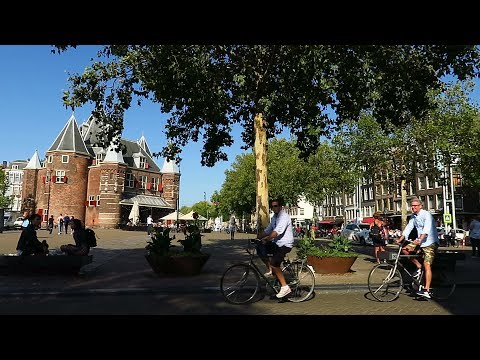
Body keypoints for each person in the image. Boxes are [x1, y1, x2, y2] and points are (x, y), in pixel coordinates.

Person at [396, 198, 439, 299]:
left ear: (420, 206)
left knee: (427, 265)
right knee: (405, 250)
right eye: (412, 206)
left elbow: (426, 229)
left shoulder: (426, 215)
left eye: (415, 205)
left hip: (430, 242)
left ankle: (426, 290)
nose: (413, 207)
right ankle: (418, 267)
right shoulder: (413, 216)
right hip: (419, 241)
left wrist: (420, 239)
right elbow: (408, 228)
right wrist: (400, 239)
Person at [256, 199, 294, 299]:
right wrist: (259, 236)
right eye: (272, 206)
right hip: (277, 244)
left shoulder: (284, 217)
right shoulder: (274, 218)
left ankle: (285, 287)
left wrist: (267, 239)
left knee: (274, 263)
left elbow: (277, 231)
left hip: (285, 245)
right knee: (260, 248)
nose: (274, 208)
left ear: (280, 206)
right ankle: (271, 270)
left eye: (276, 206)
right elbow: (268, 230)